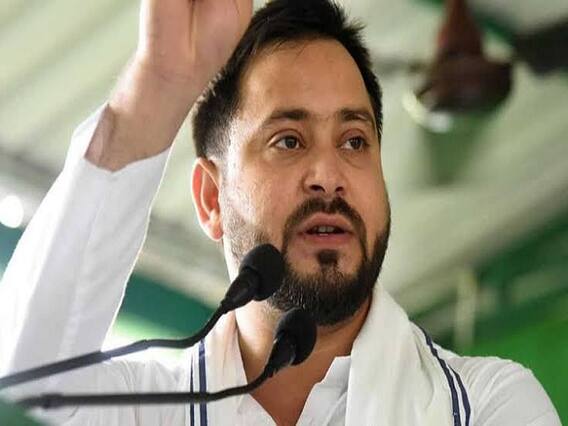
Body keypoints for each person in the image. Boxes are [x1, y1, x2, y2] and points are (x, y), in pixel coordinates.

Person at [0, 0, 561, 425]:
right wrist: (161, 82)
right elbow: (26, 382)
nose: (329, 174)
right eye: (289, 140)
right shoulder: (146, 410)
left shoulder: (487, 407)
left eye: (355, 141)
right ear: (211, 200)